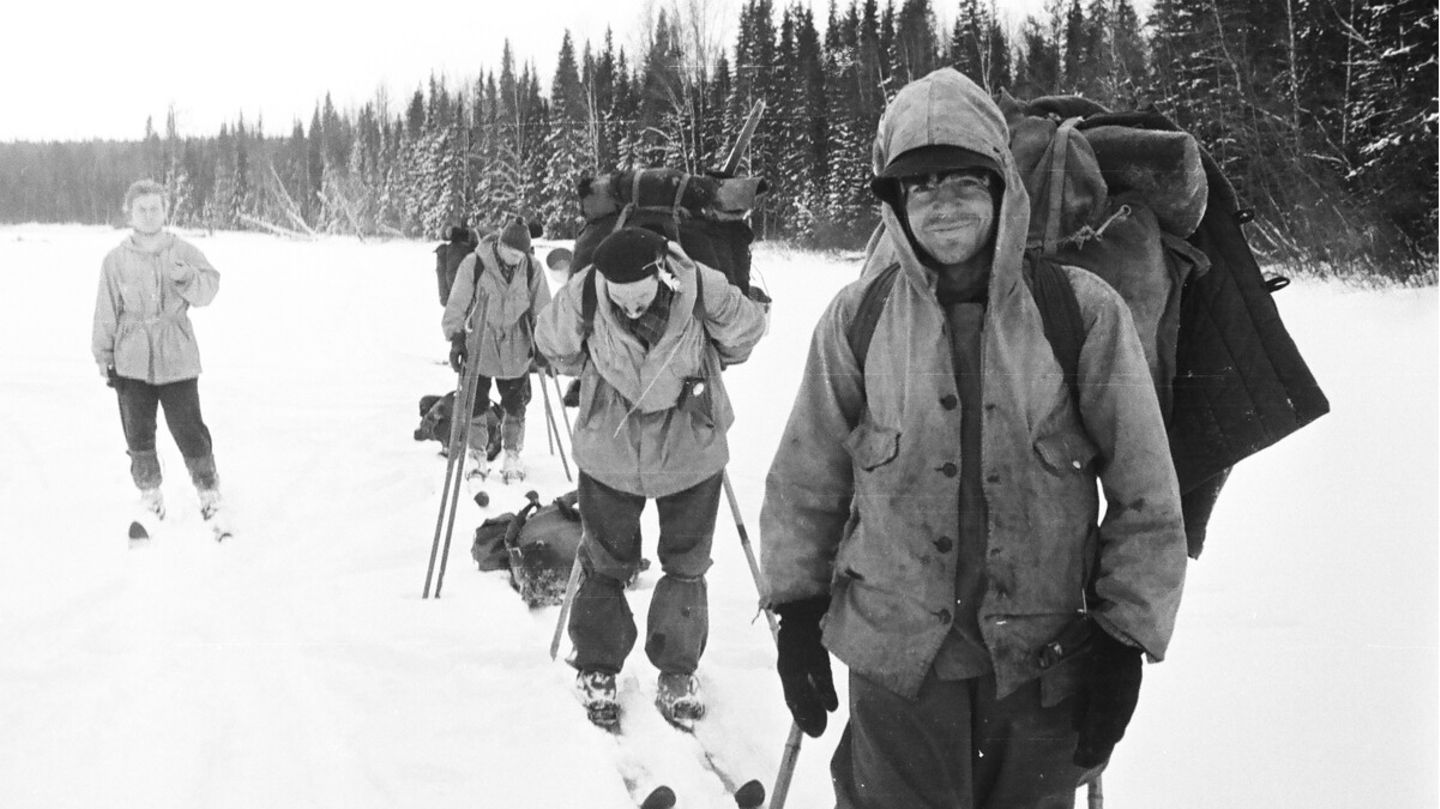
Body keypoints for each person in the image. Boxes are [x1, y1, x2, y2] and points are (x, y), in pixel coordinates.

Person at [759, 67, 1188, 809]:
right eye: (920, 187)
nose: (944, 204)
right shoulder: (857, 319)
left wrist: (1125, 641)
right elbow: (807, 478)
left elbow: (1145, 491)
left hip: (1041, 673)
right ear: (894, 204)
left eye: (965, 180)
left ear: (1001, 188)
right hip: (898, 671)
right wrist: (797, 613)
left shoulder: (1083, 313)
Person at [534, 226, 769, 728]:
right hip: (610, 451)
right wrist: (579, 320)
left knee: (686, 563)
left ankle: (678, 672)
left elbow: (747, 334)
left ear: (663, 274)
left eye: (642, 299)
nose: (633, 309)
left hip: (689, 448)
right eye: (621, 300)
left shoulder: (700, 287)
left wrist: (724, 305)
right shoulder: (587, 292)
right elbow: (552, 345)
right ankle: (597, 667)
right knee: (604, 561)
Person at [92, 179, 226, 537]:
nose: (149, 215)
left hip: (177, 355)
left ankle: (209, 490)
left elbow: (209, 289)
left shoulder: (182, 250)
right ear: (130, 212)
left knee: (188, 427)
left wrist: (186, 279)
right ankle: (150, 495)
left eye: (155, 208)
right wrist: (104, 355)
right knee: (138, 432)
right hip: (131, 358)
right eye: (142, 209)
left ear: (165, 211)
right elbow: (106, 311)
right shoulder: (115, 260)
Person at [442, 217, 550, 483]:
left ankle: (512, 454)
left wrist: (545, 342)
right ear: (499, 244)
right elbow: (457, 303)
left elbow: (543, 309)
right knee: (475, 403)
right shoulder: (475, 264)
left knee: (516, 405)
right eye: (510, 252)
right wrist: (456, 338)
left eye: (519, 254)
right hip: (480, 342)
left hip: (516, 345)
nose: (515, 258)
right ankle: (477, 454)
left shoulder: (532, 269)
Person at [435, 223, 479, 306]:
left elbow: (444, 297)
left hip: (454, 304)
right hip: (469, 304)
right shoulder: (471, 253)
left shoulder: (446, 252)